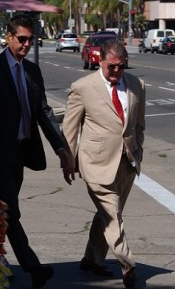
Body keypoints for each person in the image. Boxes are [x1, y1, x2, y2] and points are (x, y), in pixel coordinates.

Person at [0, 14, 71, 289]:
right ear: (8, 37)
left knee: (4, 212)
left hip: (21, 153)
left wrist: (61, 148)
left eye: (31, 40)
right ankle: (33, 267)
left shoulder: (32, 71)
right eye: (22, 39)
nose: (27, 44)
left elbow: (43, 112)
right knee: (10, 210)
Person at [62, 39, 145, 288]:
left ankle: (92, 259)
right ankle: (127, 264)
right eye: (112, 67)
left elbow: (139, 125)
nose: (117, 71)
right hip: (95, 162)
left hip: (126, 162)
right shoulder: (83, 87)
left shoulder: (137, 85)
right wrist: (68, 161)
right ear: (100, 60)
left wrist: (138, 153)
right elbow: (70, 128)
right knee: (112, 214)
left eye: (122, 66)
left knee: (107, 214)